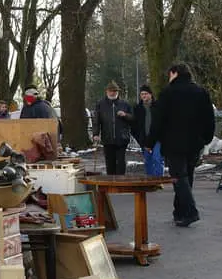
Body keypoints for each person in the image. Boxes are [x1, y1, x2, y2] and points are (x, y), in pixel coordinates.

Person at [147, 63, 214, 227]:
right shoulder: (201, 92)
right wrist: (206, 138)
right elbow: (209, 118)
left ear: (174, 73)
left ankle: (190, 211)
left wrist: (150, 141)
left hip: (173, 141)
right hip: (194, 142)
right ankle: (179, 211)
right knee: (187, 176)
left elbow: (158, 121)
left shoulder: (168, 93)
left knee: (178, 176)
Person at [92, 81, 133, 175]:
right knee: (110, 162)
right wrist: (95, 134)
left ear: (118, 92)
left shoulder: (125, 104)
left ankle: (121, 182)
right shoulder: (100, 104)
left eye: (115, 91)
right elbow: (96, 120)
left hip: (122, 138)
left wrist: (125, 115)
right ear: (106, 91)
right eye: (111, 91)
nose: (113, 93)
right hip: (107, 138)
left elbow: (133, 118)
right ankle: (111, 182)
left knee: (121, 162)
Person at [132, 85, 164, 177]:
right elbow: (135, 125)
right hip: (144, 139)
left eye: (146, 94)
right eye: (142, 94)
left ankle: (158, 180)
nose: (144, 96)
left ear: (151, 94)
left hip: (157, 139)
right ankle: (150, 180)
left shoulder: (158, 106)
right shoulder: (138, 108)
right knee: (148, 161)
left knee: (157, 159)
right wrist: (139, 138)